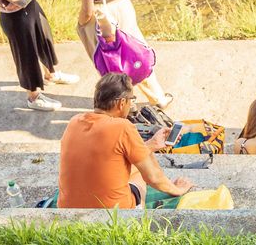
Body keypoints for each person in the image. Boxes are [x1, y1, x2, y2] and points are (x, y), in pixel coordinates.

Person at [58, 72, 194, 209]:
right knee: (138, 174)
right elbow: (153, 177)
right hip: (114, 212)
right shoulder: (123, 127)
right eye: (132, 99)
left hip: (67, 207)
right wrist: (178, 190)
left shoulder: (74, 122)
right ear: (122, 103)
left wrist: (152, 144)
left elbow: (109, 154)